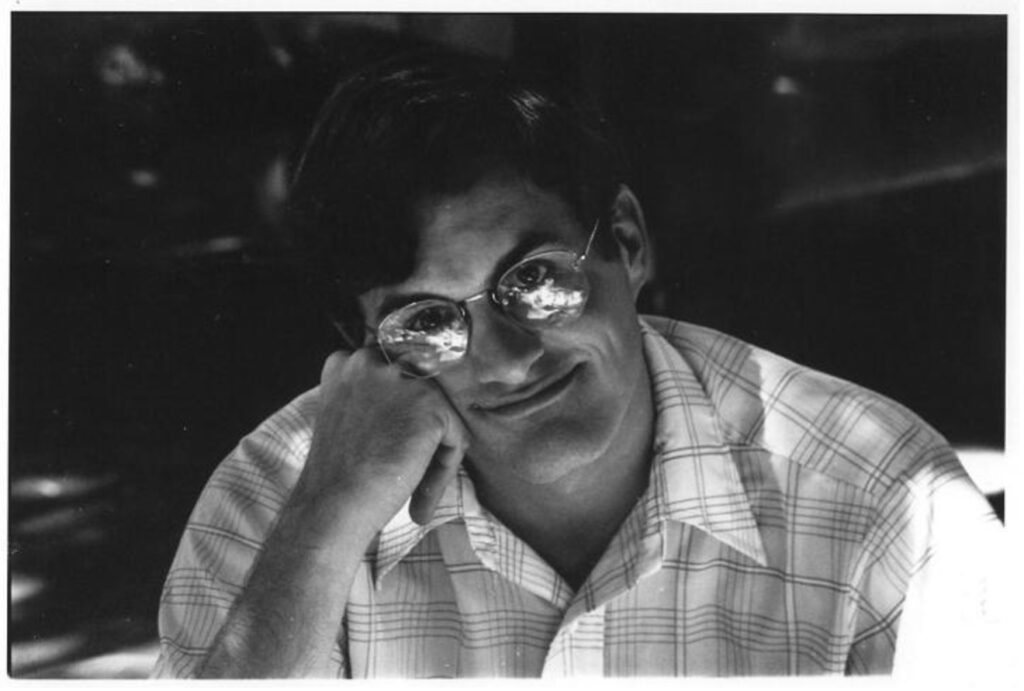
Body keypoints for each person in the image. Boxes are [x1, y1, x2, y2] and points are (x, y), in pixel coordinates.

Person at [153, 52, 1005, 678]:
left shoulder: (887, 501)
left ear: (627, 244)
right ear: (369, 347)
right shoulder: (277, 497)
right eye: (429, 321)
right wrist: (327, 515)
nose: (507, 360)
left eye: (534, 280)